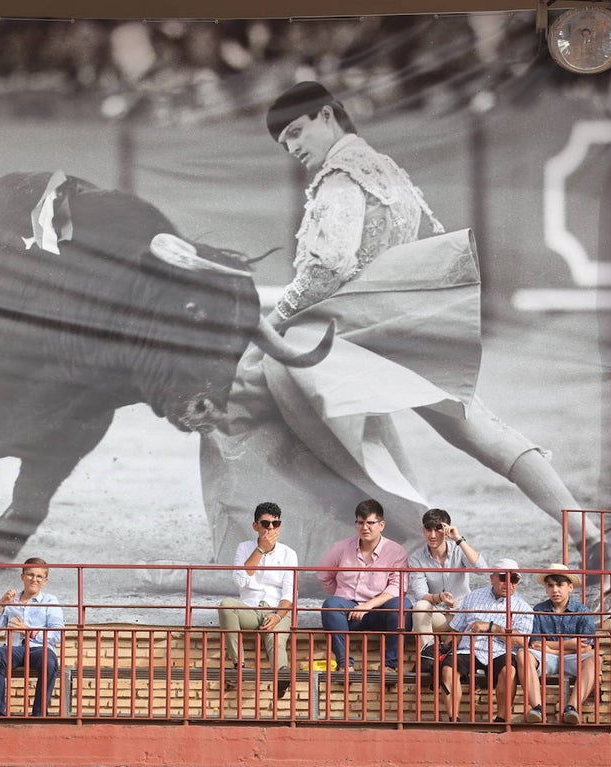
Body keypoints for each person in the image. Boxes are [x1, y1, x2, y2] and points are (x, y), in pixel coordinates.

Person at [200, 80, 588, 571]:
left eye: (296, 132)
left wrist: (273, 326)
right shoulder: (386, 169)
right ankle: (586, 530)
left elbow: (328, 266)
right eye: (284, 142)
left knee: (251, 394)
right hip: (402, 321)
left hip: (348, 338)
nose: (293, 147)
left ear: (326, 115)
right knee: (479, 429)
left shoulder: (339, 179)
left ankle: (344, 550)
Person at [316, 499, 411, 671]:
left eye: (370, 523)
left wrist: (368, 605)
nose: (365, 527)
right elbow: (324, 576)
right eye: (360, 523)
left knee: (403, 605)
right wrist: (342, 597)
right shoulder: (340, 548)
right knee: (331, 605)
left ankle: (390, 666)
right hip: (350, 611)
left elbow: (397, 587)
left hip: (379, 611)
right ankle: (345, 665)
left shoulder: (396, 551)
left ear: (381, 525)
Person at [217, 501, 298, 699]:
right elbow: (240, 581)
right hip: (250, 608)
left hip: (276, 609)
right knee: (226, 605)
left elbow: (289, 593)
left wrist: (277, 616)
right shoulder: (244, 548)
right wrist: (260, 550)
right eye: (265, 523)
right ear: (255, 526)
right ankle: (240, 665)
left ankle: (281, 677)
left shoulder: (289, 553)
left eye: (275, 524)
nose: (270, 528)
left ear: (280, 526)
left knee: (275, 637)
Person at [440, 558, 534, 723]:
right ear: (492, 578)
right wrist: (445, 649)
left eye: (514, 579)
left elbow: (522, 641)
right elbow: (456, 630)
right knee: (448, 668)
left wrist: (493, 628)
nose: (509, 583)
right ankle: (453, 719)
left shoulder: (523, 607)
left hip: (500, 651)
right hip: (469, 649)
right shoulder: (472, 597)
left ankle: (501, 719)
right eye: (504, 577)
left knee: (509, 671)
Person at [519, 563, 599, 725]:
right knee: (523, 655)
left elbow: (586, 647)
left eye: (560, 585)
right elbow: (534, 644)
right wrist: (570, 644)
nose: (555, 590)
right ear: (546, 589)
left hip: (570, 658)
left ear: (570, 587)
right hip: (547, 658)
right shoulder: (538, 610)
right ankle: (537, 709)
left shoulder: (582, 611)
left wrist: (551, 648)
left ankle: (571, 709)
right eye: (550, 585)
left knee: (594, 659)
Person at [407, 508, 487, 670]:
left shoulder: (459, 549)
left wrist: (458, 539)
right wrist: (439, 597)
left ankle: (465, 660)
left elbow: (482, 569)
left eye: (438, 529)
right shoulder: (416, 557)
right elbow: (420, 593)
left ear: (446, 530)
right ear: (423, 531)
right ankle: (428, 656)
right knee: (420, 606)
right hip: (439, 616)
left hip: (463, 616)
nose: (433, 535)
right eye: (428, 529)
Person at [0, 557, 65, 717]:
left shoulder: (50, 600)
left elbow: (57, 634)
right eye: (30, 574)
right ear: (22, 576)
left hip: (39, 649)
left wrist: (29, 631)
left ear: (45, 581)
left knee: (49, 661)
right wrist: (1, 605)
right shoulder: (11, 599)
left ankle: (39, 714)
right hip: (14, 648)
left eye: (39, 576)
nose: (34, 579)